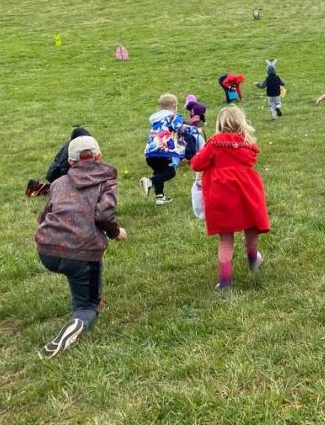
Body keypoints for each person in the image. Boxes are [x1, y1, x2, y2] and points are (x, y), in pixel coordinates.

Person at [34, 135, 126, 358]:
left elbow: (42, 217)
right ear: (99, 156)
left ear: (70, 162)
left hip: (46, 250)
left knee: (78, 270)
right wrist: (116, 232)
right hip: (82, 253)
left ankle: (90, 298)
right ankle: (82, 316)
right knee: (87, 302)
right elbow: (104, 215)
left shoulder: (58, 183)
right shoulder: (107, 182)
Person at [190, 107, 270, 291]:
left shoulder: (214, 143)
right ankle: (253, 261)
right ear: (241, 123)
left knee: (226, 239)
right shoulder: (247, 143)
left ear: (220, 123)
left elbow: (197, 164)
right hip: (248, 194)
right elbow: (249, 161)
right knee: (251, 230)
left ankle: (225, 282)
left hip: (222, 196)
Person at [140, 92, 199, 205]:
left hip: (149, 153)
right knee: (170, 172)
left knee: (159, 172)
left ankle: (160, 197)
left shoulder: (157, 119)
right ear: (173, 107)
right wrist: (196, 130)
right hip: (162, 151)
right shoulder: (172, 116)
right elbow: (180, 127)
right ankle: (149, 182)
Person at [26, 125, 91, 198]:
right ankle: (42, 188)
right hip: (57, 175)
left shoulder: (72, 146)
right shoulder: (71, 151)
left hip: (57, 173)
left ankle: (43, 187)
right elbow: (64, 170)